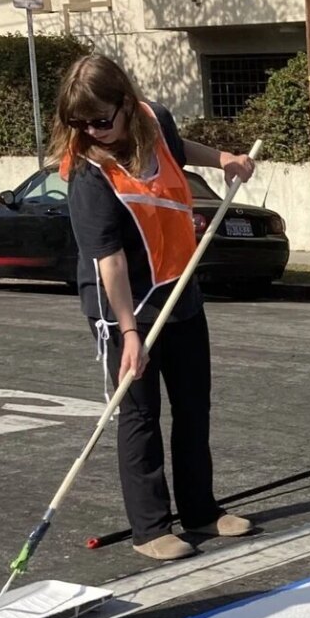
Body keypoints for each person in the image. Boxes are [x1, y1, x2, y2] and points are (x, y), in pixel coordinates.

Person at [52, 55, 257, 561]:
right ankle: (150, 527)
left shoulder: (154, 118)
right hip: (123, 306)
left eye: (101, 120)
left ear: (125, 102)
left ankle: (202, 513)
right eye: (79, 124)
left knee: (193, 406)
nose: (92, 132)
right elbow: (110, 261)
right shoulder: (88, 176)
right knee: (139, 414)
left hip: (178, 288)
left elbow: (176, 149)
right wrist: (128, 334)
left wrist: (224, 158)